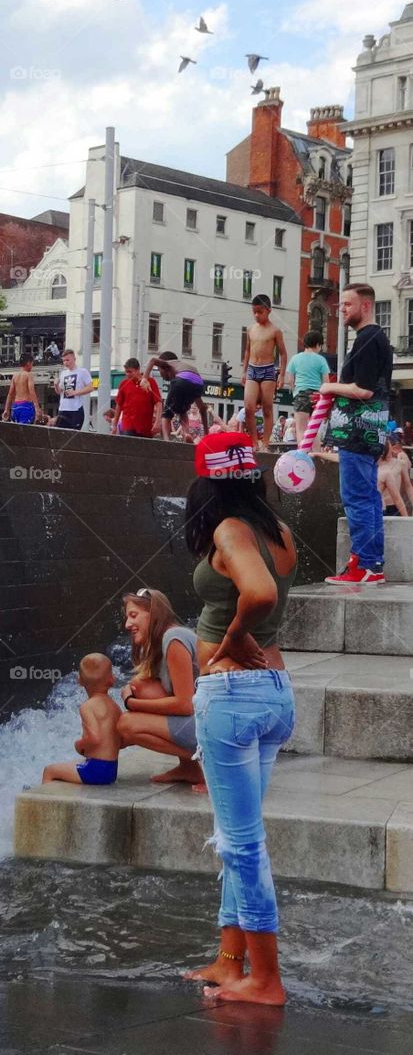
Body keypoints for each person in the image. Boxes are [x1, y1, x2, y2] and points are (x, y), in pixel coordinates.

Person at [184, 430, 297, 1006]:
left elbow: (258, 594)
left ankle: (266, 981)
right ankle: (231, 962)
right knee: (236, 838)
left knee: (242, 845)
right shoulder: (275, 531)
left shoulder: (229, 530)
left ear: (205, 482)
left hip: (233, 694)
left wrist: (230, 639)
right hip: (274, 692)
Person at [323, 284, 393, 584]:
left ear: (365, 306)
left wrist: (329, 388)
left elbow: (362, 389)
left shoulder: (366, 338)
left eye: (347, 304)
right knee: (370, 498)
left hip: (356, 432)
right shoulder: (378, 339)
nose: (342, 309)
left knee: (356, 498)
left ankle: (363, 564)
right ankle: (372, 564)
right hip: (371, 430)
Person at [115, 588, 204, 791]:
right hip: (203, 720)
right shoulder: (165, 641)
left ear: (153, 613)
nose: (127, 624)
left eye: (134, 615)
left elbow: (184, 704)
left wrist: (132, 703)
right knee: (140, 686)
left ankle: (212, 764)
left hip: (214, 728)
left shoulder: (174, 639)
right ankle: (189, 768)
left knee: (126, 724)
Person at [42, 653, 122, 785]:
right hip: (111, 770)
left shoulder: (87, 707)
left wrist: (79, 745)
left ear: (79, 680)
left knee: (50, 771)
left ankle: (43, 802)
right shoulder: (114, 706)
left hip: (95, 772)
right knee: (75, 764)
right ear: (111, 680)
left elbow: (94, 738)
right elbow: (121, 737)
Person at [241, 295, 287, 451]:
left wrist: (281, 375)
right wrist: (244, 371)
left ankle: (265, 443)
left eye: (260, 312)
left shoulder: (275, 331)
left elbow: (283, 353)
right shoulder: (250, 329)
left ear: (269, 311)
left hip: (268, 370)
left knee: (267, 407)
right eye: (254, 312)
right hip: (253, 369)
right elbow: (247, 350)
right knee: (248, 407)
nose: (256, 315)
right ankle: (254, 442)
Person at [141, 352, 208, 442]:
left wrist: (145, 379)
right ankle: (186, 433)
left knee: (166, 413)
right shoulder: (184, 366)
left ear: (163, 367)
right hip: (199, 384)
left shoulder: (169, 363)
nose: (161, 375)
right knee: (182, 410)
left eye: (159, 370)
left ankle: (166, 440)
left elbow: (153, 360)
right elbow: (203, 408)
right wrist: (207, 434)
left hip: (182, 379)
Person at [286, 331, 330, 446]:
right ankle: (317, 457)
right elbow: (326, 382)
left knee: (301, 429)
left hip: (301, 394)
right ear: (318, 345)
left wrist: (294, 389)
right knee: (314, 430)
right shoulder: (321, 360)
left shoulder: (295, 358)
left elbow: (290, 379)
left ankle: (303, 456)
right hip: (317, 397)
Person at [111, 357, 161, 437]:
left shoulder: (150, 382)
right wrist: (114, 425)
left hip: (145, 427)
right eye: (126, 372)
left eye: (130, 372)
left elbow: (158, 402)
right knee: (128, 446)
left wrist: (158, 422)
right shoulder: (123, 384)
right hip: (128, 425)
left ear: (138, 370)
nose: (127, 374)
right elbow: (119, 405)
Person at [52, 349, 94, 431]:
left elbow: (90, 387)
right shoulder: (63, 373)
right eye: (64, 361)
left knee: (73, 435)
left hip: (75, 409)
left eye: (67, 360)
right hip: (63, 409)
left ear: (74, 359)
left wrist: (75, 392)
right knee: (59, 434)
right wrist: (56, 385)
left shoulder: (82, 372)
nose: (65, 363)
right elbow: (59, 392)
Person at [2, 357, 41, 424]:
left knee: (17, 430)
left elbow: (10, 394)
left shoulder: (15, 376)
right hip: (26, 406)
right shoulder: (28, 375)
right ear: (28, 363)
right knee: (25, 430)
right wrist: (37, 408)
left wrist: (6, 409)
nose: (32, 366)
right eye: (32, 364)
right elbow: (32, 391)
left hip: (16, 406)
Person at [378, 440, 411, 517]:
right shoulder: (373, 465)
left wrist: (406, 520)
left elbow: (408, 487)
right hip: (379, 507)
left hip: (394, 506)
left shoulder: (400, 463)